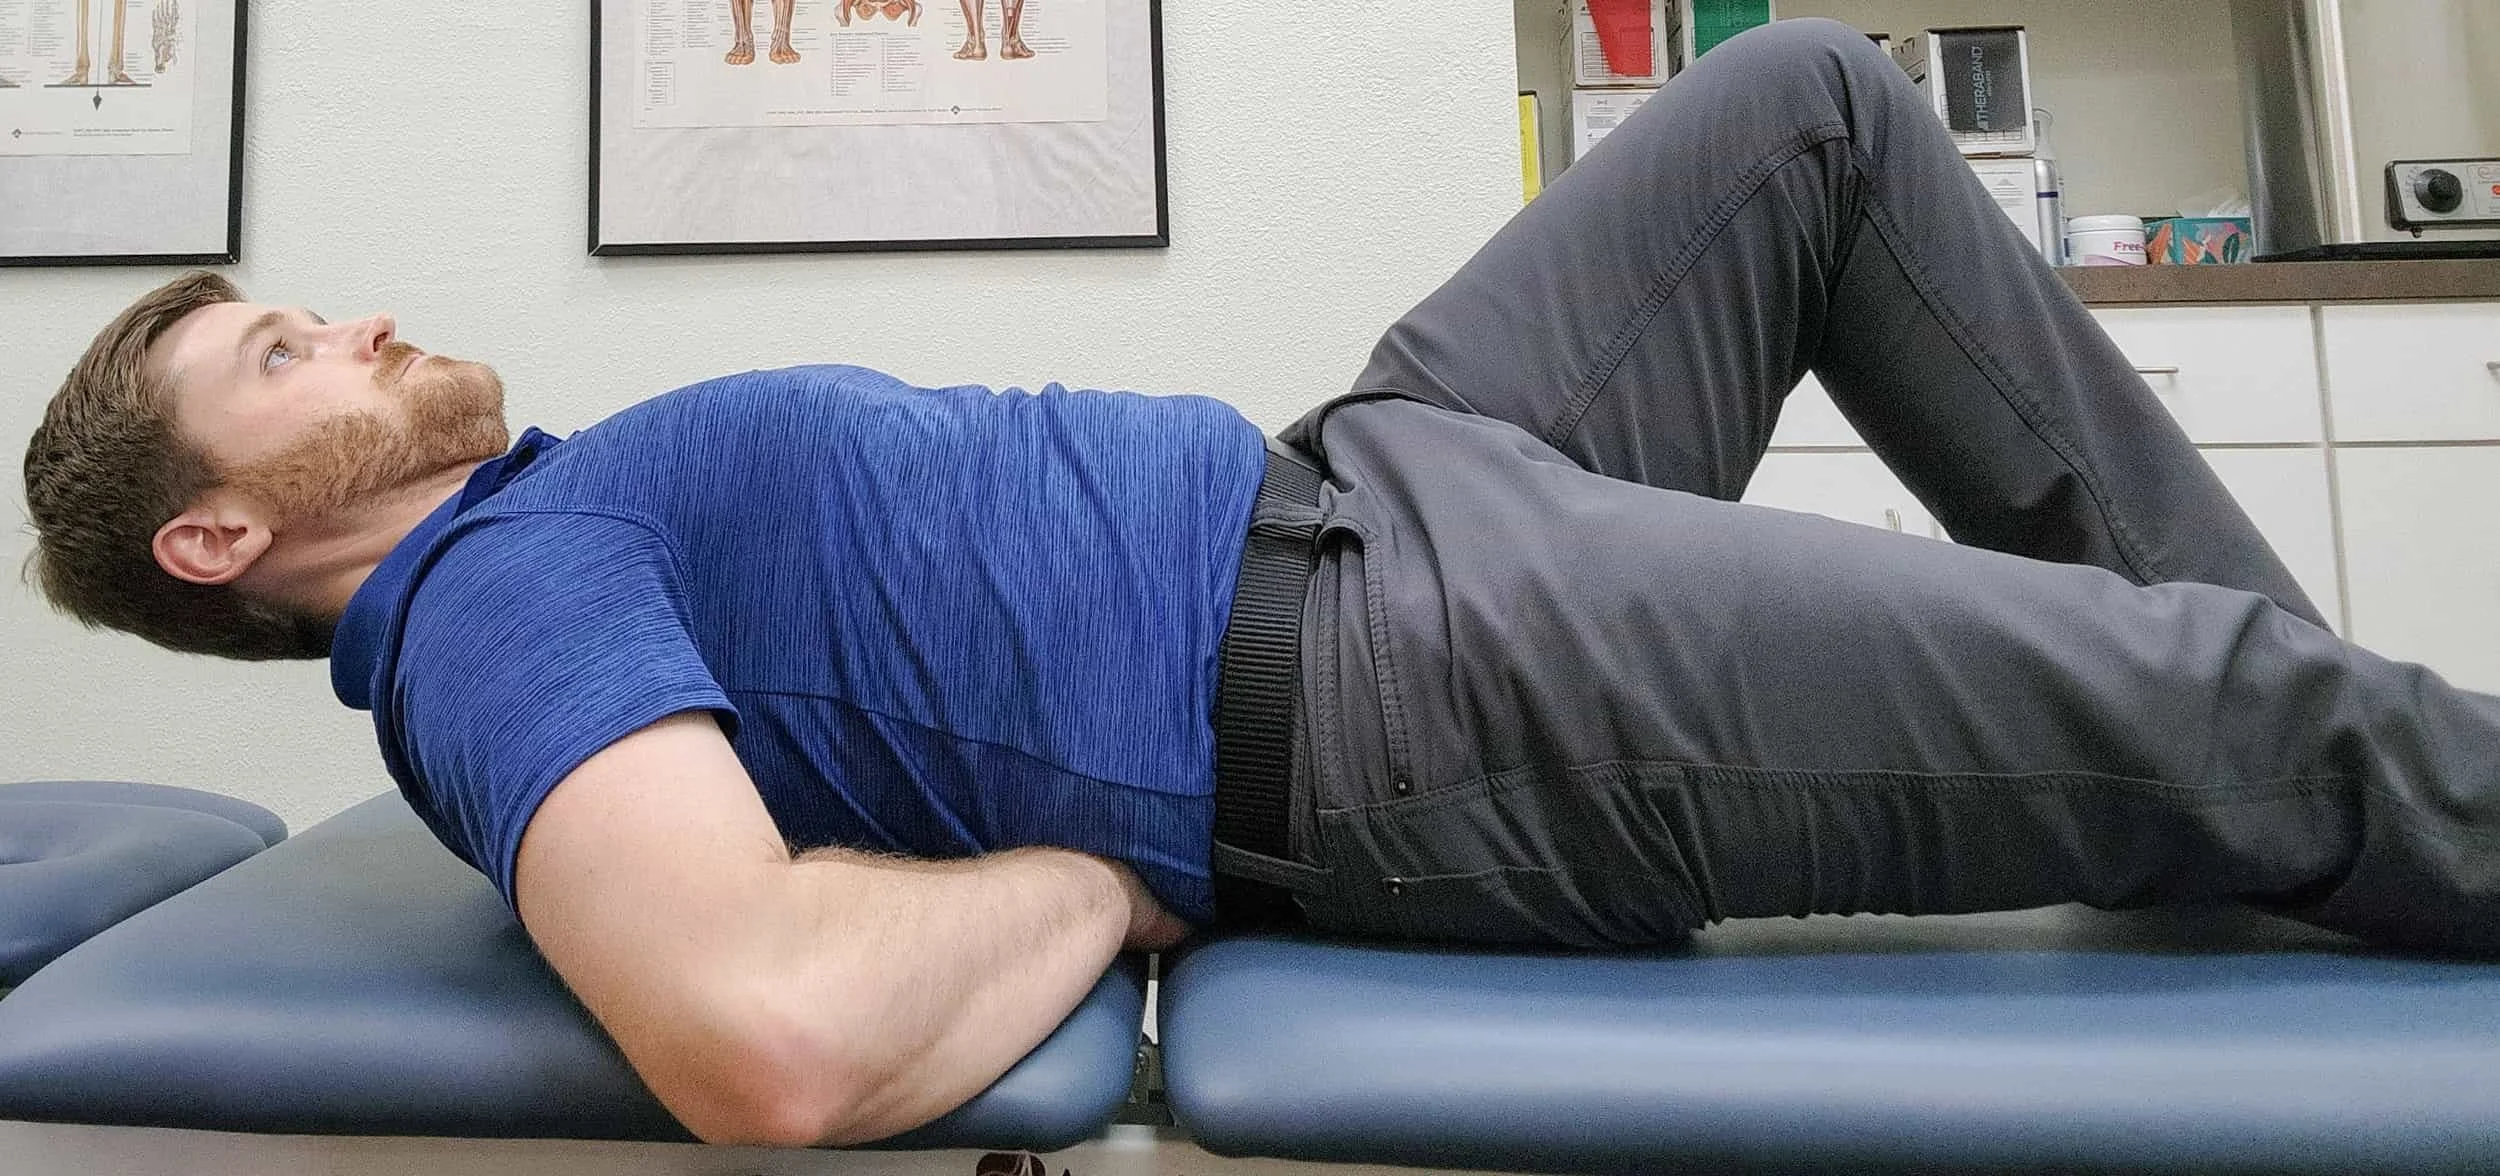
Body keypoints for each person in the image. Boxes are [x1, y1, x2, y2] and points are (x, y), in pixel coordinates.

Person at [20, 17, 2500, 1151]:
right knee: (2236, 714)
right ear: (216, 539)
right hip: (1406, 688)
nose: (350, 322)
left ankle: (2267, 793)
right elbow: (756, 1039)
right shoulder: (477, 606)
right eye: (278, 354)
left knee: (1804, 108)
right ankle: (2284, 764)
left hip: (1381, 479)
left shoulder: (526, 518)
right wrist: (1102, 881)